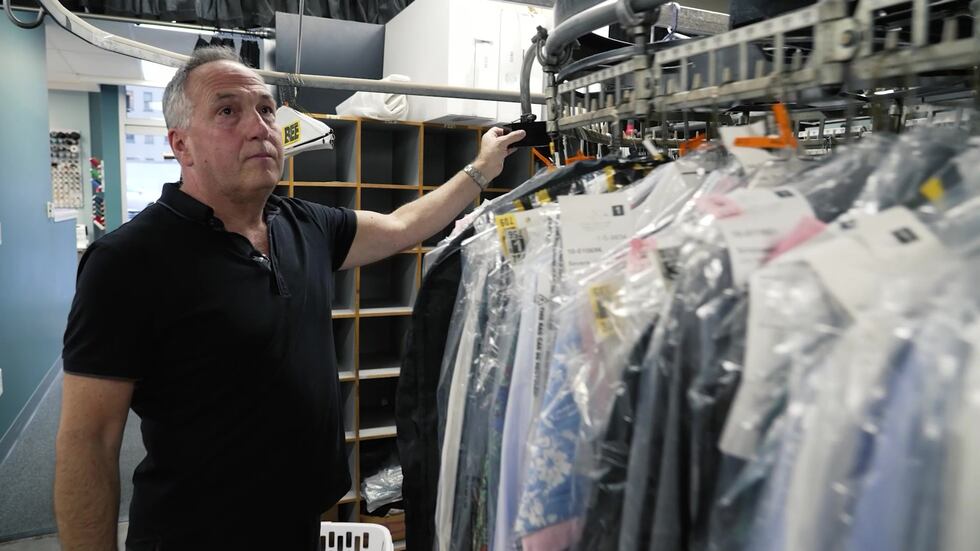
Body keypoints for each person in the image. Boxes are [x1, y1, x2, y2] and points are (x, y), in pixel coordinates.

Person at [54, 46, 525, 550]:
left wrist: (481, 170)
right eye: (228, 110)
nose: (259, 126)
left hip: (301, 518)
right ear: (181, 145)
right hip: (197, 534)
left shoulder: (305, 224)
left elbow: (401, 226)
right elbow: (89, 442)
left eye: (265, 109)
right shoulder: (127, 261)